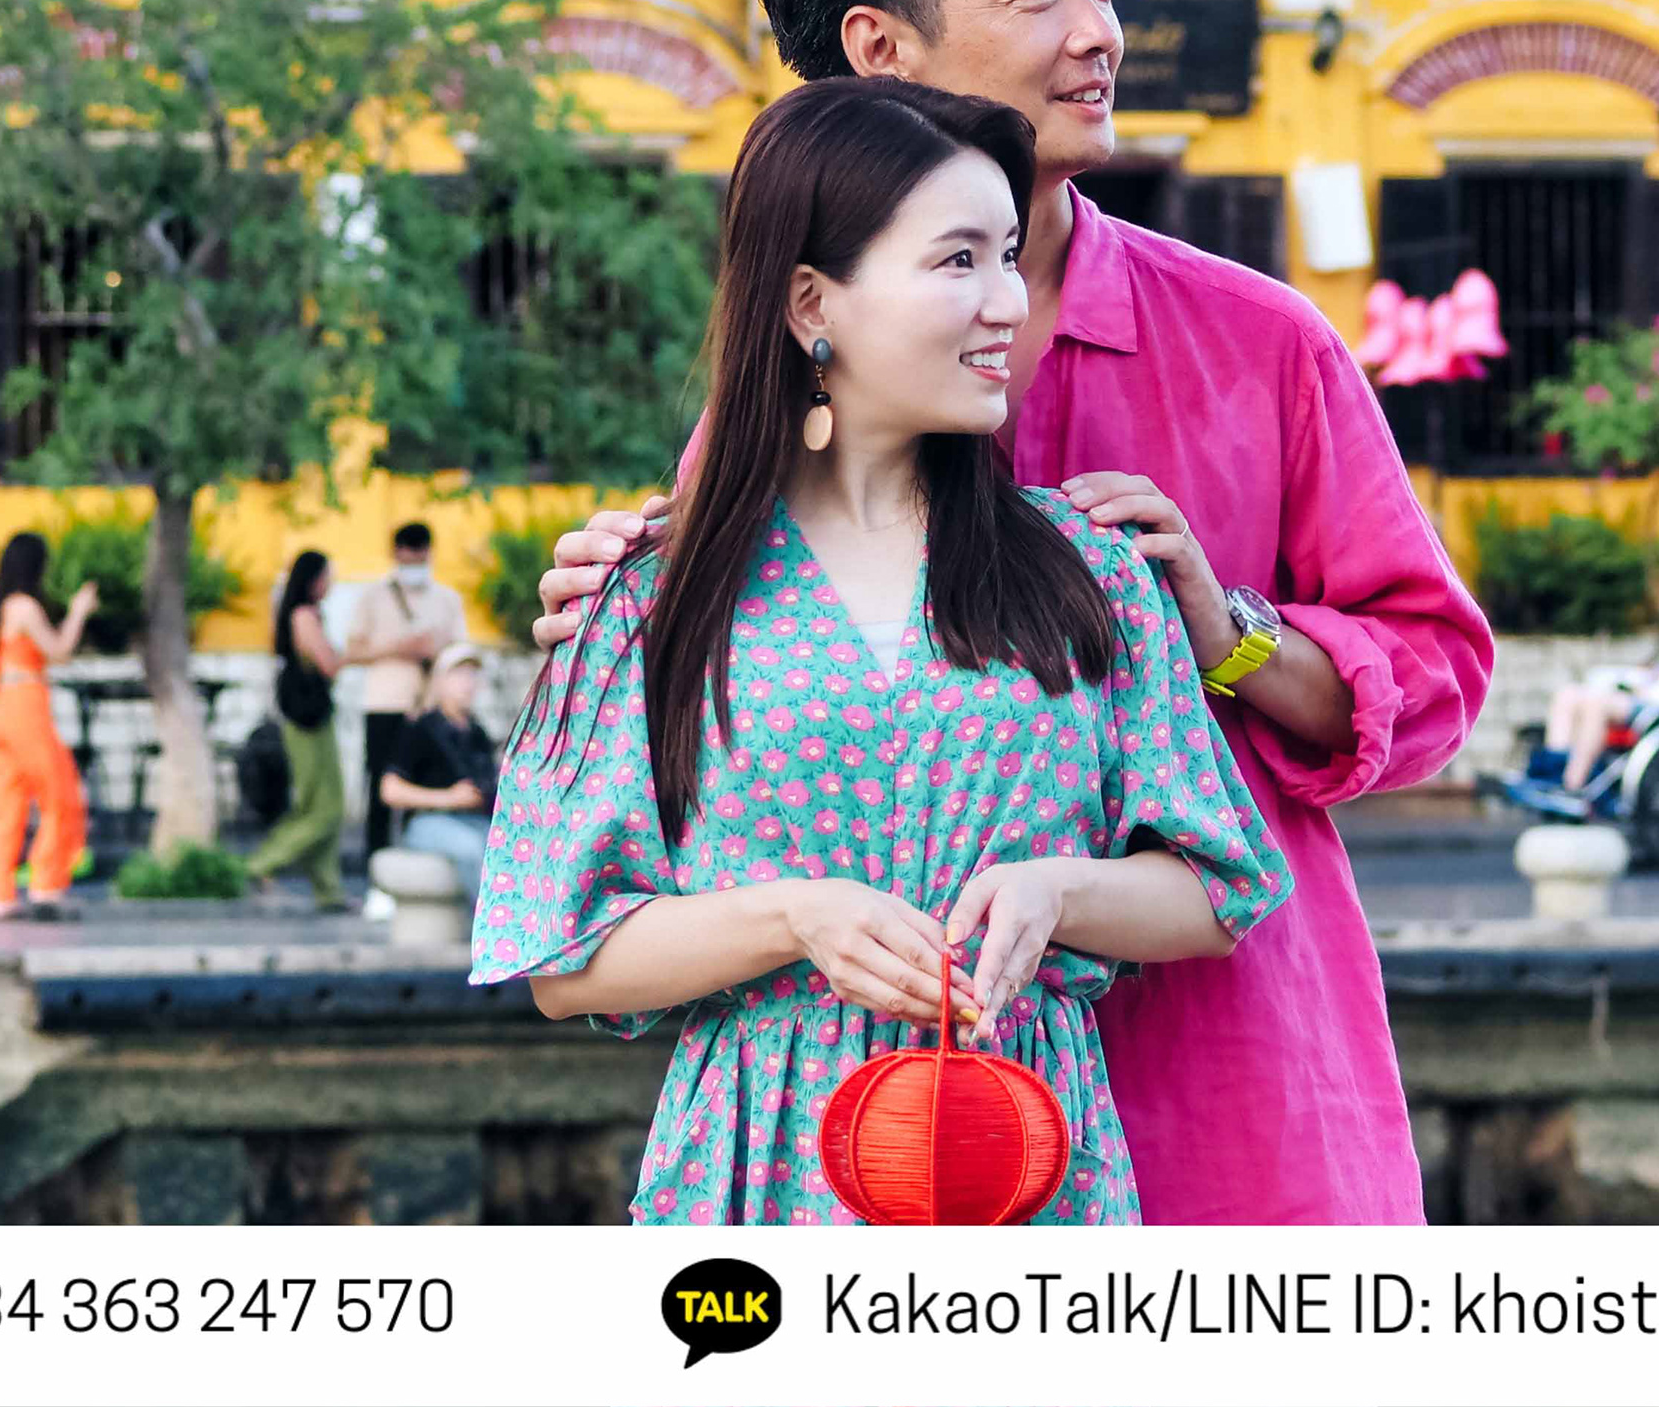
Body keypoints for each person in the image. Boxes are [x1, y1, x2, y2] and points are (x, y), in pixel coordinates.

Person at [530, 0, 1492, 1225]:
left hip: (1231, 1093)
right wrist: (619, 613)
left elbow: (1436, 685)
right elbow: (654, 841)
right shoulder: (779, 393)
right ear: (880, 47)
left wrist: (1227, 633)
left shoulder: (1260, 341)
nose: (1100, 32)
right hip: (902, 1139)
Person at [475, 77, 1289, 1225]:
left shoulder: (1087, 568)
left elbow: (1220, 886)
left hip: (1027, 1160)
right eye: (958, 260)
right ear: (814, 301)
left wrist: (1059, 891)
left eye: (1009, 254)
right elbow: (563, 958)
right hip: (762, 1166)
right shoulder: (650, 593)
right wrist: (794, 916)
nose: (1009, 298)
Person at [0, 530, 97, 922]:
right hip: (25, 706)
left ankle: (2, 895)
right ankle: (46, 884)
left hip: (1, 708)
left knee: (8, 802)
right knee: (59, 792)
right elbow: (59, 652)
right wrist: (79, 610)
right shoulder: (24, 606)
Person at [339, 521, 466, 874]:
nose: (414, 562)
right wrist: (402, 648)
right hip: (383, 703)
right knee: (379, 787)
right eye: (408, 556)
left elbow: (461, 650)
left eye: (420, 555)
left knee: (421, 787)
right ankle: (375, 867)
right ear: (396, 553)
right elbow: (352, 650)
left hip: (427, 707)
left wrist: (435, 650)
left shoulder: (447, 598)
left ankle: (415, 865)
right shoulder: (373, 597)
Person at [1533, 564, 1659, 790]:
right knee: (1568, 695)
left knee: (1596, 703)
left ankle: (1573, 784)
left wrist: (1646, 691)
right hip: (1655, 697)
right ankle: (1553, 771)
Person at [244, 550, 351, 908]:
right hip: (307, 721)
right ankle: (261, 863)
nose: (331, 582)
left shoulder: (304, 613)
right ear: (314, 579)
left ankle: (328, 891)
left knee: (325, 806)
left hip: (313, 717)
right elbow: (328, 664)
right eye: (328, 575)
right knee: (322, 808)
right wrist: (360, 651)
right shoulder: (304, 615)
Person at [380, 645, 498, 892]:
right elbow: (389, 790)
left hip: (474, 819)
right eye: (459, 674)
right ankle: (488, 926)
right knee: (473, 848)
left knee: (507, 847)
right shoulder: (421, 727)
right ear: (440, 681)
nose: (468, 682)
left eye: (472, 674)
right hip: (428, 821)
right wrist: (450, 798)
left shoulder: (478, 732)